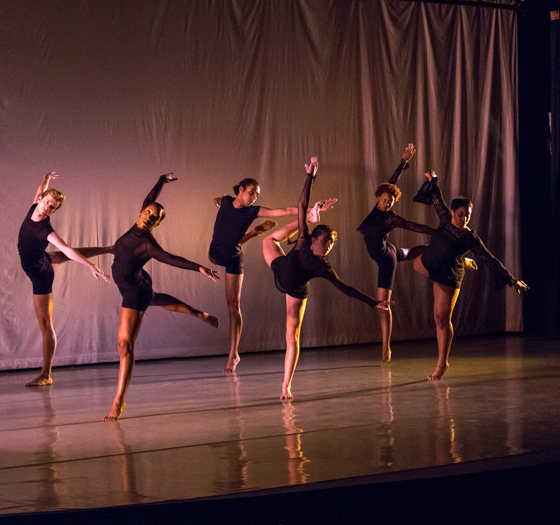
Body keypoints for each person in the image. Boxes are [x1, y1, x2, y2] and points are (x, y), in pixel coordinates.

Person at [263, 157, 389, 400]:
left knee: (292, 336)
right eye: (324, 241)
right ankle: (313, 218)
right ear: (312, 240)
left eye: (331, 243)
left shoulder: (323, 267)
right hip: (280, 267)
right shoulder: (302, 242)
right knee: (268, 240)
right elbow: (300, 205)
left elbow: (346, 288)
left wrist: (373, 302)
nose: (328, 246)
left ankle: (286, 386)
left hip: (296, 290)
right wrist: (311, 177)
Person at [104, 174, 220, 421]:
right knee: (154, 298)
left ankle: (118, 401)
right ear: (142, 211)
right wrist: (161, 180)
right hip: (137, 283)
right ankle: (198, 313)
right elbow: (150, 198)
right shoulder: (140, 219)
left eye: (154, 217)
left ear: (156, 223)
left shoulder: (148, 244)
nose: (149, 216)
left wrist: (200, 267)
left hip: (134, 291)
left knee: (125, 346)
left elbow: (172, 259)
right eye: (148, 212)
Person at [412, 170, 529, 380]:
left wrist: (512, 280)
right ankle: (462, 259)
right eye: (461, 214)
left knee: (441, 317)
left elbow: (490, 259)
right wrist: (433, 180)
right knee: (414, 261)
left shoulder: (470, 238)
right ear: (452, 212)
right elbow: (437, 196)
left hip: (448, 274)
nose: (464, 219)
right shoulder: (445, 218)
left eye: (468, 215)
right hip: (433, 263)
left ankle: (442, 364)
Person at [18, 172, 112, 387]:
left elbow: (67, 249)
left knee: (45, 324)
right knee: (55, 258)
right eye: (47, 202)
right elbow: (40, 188)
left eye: (53, 207)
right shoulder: (34, 207)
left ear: (54, 211)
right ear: (41, 199)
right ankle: (107, 249)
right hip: (41, 259)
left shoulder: (45, 229)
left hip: (40, 274)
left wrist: (91, 267)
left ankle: (46, 374)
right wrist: (46, 177)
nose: (48, 207)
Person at [210, 178, 301, 373]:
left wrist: (309, 211)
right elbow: (218, 200)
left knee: (233, 306)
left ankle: (234, 354)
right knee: (229, 242)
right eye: (252, 192)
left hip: (234, 258)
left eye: (257, 195)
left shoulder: (253, 211)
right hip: (216, 254)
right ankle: (257, 231)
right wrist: (219, 201)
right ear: (241, 189)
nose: (254, 197)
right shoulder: (226, 202)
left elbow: (283, 211)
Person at [357, 144, 436, 362]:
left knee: (383, 306)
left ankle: (386, 347)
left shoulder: (392, 218)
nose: (387, 203)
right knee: (410, 252)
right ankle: (433, 249)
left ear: (394, 202)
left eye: (391, 201)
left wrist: (439, 233)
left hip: (386, 259)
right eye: (384, 200)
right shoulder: (377, 209)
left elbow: (418, 227)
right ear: (378, 198)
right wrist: (403, 161)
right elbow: (391, 182)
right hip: (389, 248)